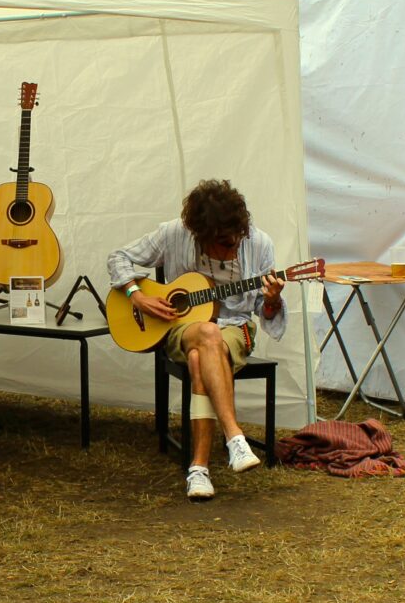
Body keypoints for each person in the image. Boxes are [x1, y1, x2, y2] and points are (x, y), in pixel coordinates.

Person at [109, 179, 285, 501]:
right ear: (199, 234)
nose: (231, 249)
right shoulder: (174, 233)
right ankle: (234, 437)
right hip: (179, 327)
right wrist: (137, 296)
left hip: (236, 328)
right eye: (222, 243)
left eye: (235, 242)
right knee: (206, 331)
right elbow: (117, 257)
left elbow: (264, 310)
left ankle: (199, 469)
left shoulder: (259, 244)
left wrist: (272, 300)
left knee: (200, 353)